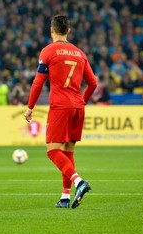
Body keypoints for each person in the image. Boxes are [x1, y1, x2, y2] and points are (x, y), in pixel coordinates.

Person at [24, 15, 97, 209]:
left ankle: (79, 182)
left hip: (61, 106)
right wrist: (82, 101)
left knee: (53, 151)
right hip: (77, 107)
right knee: (68, 151)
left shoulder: (48, 51)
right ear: (68, 31)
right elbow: (93, 83)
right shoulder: (80, 53)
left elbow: (38, 82)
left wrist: (30, 107)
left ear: (51, 30)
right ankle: (65, 198)